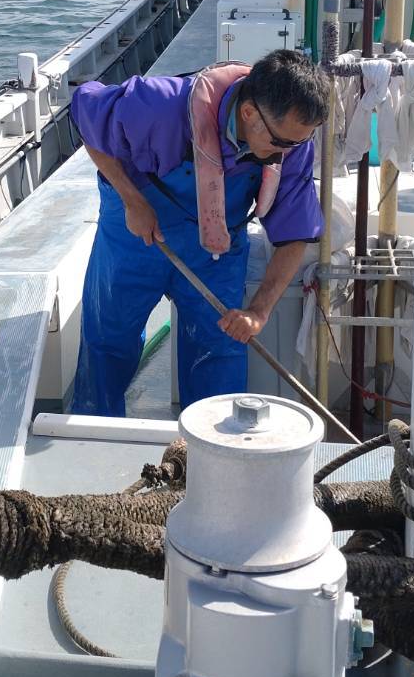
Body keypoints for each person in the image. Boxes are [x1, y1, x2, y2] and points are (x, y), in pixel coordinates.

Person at [69, 50, 329, 416]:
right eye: (282, 143)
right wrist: (131, 200)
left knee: (219, 348)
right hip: (136, 232)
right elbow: (84, 112)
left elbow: (295, 234)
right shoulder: (159, 104)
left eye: (299, 143)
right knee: (109, 340)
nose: (288, 153)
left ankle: (212, 444)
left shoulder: (291, 145)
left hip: (215, 250)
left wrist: (258, 312)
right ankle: (94, 431)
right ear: (249, 113)